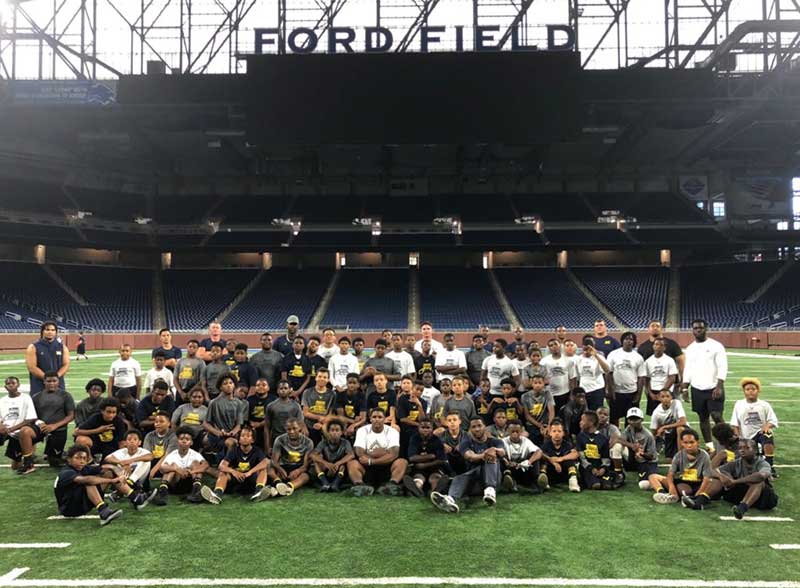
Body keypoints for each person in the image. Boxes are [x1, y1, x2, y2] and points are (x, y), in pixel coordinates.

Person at [54, 444, 154, 525]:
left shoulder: (83, 468)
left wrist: (115, 469)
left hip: (81, 502)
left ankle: (135, 497)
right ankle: (103, 511)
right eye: (78, 458)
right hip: (70, 508)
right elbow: (87, 480)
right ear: (69, 459)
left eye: (84, 458)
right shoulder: (66, 472)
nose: (82, 461)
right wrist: (112, 481)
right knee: (89, 481)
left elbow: (103, 467)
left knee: (108, 473)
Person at [681, 438, 778, 517]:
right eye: (740, 448)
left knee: (758, 482)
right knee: (719, 478)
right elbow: (711, 471)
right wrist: (721, 476)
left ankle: (742, 508)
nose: (742, 450)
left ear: (755, 450)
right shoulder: (737, 462)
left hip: (763, 499)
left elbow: (761, 476)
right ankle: (700, 501)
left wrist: (735, 481)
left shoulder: (762, 463)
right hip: (741, 493)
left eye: (746, 448)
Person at [430, 416, 505, 513]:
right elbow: (470, 456)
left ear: (485, 427)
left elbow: (503, 452)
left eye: (479, 426)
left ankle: (490, 490)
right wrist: (484, 454)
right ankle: (450, 500)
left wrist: (494, 450)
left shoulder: (496, 441)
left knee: (491, 458)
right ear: (470, 430)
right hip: (474, 481)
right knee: (460, 477)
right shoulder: (465, 443)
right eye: (473, 427)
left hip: (493, 479)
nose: (477, 429)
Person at [681, 319, 728, 450]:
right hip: (697, 388)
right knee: (703, 417)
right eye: (695, 328)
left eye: (700, 328)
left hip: (713, 387)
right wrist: (685, 388)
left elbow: (722, 366)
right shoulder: (690, 349)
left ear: (706, 328)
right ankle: (710, 445)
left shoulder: (716, 346)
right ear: (692, 330)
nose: (698, 330)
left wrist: (719, 385)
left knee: (717, 416)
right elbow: (688, 369)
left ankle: (726, 443)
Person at [201, 425, 270, 504]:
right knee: (223, 473)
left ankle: (259, 492)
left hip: (251, 478)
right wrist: (234, 472)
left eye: (248, 436)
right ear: (239, 439)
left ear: (253, 440)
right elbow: (221, 466)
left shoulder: (257, 450)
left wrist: (250, 472)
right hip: (237, 478)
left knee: (263, 470)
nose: (245, 438)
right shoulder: (234, 451)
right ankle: (217, 495)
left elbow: (265, 462)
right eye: (242, 436)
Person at [349, 408, 407, 497]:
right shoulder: (361, 431)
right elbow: (360, 453)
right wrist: (384, 453)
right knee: (352, 463)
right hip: (367, 468)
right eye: (374, 417)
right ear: (370, 419)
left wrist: (371, 460)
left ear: (384, 419)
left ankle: (391, 485)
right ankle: (359, 486)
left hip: (385, 467)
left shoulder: (393, 432)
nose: (376, 419)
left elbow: (393, 455)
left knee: (402, 462)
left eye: (380, 417)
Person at [729, 377, 778, 475]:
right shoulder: (739, 404)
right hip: (745, 435)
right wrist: (738, 437)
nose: (750, 391)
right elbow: (735, 423)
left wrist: (766, 426)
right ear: (744, 391)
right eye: (747, 389)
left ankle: (770, 465)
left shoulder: (764, 405)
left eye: (753, 389)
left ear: (758, 391)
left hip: (759, 433)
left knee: (768, 434)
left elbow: (773, 420)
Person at [151, 427, 209, 505]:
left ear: (191, 442)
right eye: (181, 439)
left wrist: (191, 471)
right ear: (177, 441)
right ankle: (162, 493)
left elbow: (206, 466)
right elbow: (162, 468)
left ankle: (196, 492)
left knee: (195, 463)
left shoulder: (195, 454)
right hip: (174, 484)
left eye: (187, 439)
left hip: (190, 483)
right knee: (172, 466)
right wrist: (176, 469)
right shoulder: (172, 454)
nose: (184, 441)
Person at [28, 371, 75, 467]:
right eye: (49, 381)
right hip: (41, 428)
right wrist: (39, 423)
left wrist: (54, 426)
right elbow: (32, 416)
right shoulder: (36, 397)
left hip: (59, 429)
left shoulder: (66, 395)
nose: (52, 383)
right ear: (44, 382)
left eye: (54, 381)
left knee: (54, 462)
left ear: (58, 381)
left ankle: (58, 454)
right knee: (25, 432)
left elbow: (71, 416)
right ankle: (28, 457)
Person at [613, 407, 664, 494]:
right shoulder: (629, 428)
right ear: (628, 420)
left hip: (647, 462)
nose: (633, 422)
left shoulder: (648, 435)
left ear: (641, 420)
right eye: (631, 419)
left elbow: (652, 457)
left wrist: (642, 454)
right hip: (635, 459)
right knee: (617, 447)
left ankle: (662, 484)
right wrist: (632, 446)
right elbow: (619, 440)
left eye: (636, 419)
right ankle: (618, 473)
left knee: (643, 485)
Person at [605, 332, 645, 427]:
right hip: (617, 392)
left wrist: (638, 395)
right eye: (626, 339)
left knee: (631, 420)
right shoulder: (613, 354)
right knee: (614, 419)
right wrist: (610, 390)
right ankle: (615, 437)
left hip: (632, 392)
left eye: (631, 339)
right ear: (622, 341)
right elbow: (608, 373)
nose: (629, 341)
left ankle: (629, 438)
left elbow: (641, 377)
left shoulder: (638, 357)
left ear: (634, 342)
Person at [0, 375, 38, 474]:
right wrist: (1, 426)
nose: (11, 385)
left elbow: (30, 418)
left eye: (13, 383)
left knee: (15, 466)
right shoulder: (2, 400)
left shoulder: (26, 398)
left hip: (20, 432)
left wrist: (11, 429)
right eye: (8, 384)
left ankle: (28, 458)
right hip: (7, 431)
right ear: (5, 387)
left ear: (18, 385)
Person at [403, 417, 448, 498]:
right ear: (418, 428)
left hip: (433, 467)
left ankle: (435, 492)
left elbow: (442, 460)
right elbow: (412, 458)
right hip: (418, 469)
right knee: (418, 478)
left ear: (432, 428)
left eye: (428, 427)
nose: (425, 430)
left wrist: (424, 464)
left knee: (435, 477)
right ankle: (417, 490)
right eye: (423, 427)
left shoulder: (437, 440)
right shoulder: (414, 439)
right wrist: (431, 456)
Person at [204, 374, 247, 460]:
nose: (228, 385)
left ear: (234, 385)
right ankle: (225, 464)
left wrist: (232, 432)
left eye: (231, 383)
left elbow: (239, 424)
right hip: (217, 436)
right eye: (225, 383)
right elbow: (206, 424)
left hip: (232, 434)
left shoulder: (238, 403)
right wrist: (218, 432)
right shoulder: (214, 403)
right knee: (232, 443)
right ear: (220, 387)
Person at [664, 428, 713, 503]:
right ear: (681, 443)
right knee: (653, 477)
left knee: (711, 487)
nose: (689, 445)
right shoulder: (678, 455)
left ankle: (689, 498)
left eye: (692, 442)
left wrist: (697, 497)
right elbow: (670, 474)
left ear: (697, 442)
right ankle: (666, 493)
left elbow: (707, 479)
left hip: (698, 483)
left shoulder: (704, 456)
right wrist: (672, 488)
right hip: (685, 482)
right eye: (686, 443)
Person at [269, 417, 313, 496]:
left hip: (299, 467)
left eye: (294, 428)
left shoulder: (308, 442)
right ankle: (278, 482)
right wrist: (280, 469)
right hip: (284, 465)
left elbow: (306, 465)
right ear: (285, 429)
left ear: (299, 428)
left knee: (305, 476)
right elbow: (274, 460)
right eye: (289, 429)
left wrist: (298, 471)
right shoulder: (279, 439)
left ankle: (287, 487)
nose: (292, 431)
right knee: (269, 466)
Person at [310, 418, 355, 492]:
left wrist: (337, 464)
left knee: (344, 464)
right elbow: (313, 455)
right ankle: (325, 483)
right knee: (316, 462)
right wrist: (326, 463)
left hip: (339, 470)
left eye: (337, 430)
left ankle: (335, 484)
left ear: (342, 432)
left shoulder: (345, 442)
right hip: (327, 468)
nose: (334, 433)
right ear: (328, 432)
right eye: (332, 430)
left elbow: (351, 455)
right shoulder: (323, 442)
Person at [501, 420, 546, 493]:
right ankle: (510, 482)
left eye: (517, 431)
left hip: (523, 469)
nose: (515, 434)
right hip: (510, 469)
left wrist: (529, 462)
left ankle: (537, 482)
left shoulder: (526, 441)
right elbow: (498, 453)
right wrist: (506, 461)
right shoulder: (503, 441)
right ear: (508, 431)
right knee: (500, 461)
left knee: (535, 458)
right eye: (512, 431)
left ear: (521, 431)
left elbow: (539, 452)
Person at [637, 320, 684, 389]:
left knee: (674, 400)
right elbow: (640, 368)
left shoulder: (672, 344)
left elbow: (681, 361)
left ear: (661, 329)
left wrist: (682, 378)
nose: (655, 328)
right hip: (652, 386)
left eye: (657, 326)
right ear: (648, 329)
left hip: (672, 385)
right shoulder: (642, 347)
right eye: (652, 326)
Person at [26, 321, 70, 397]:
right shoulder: (33, 347)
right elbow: (32, 367)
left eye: (53, 330)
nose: (50, 332)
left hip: (58, 385)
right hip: (39, 386)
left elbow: (66, 364)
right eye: (47, 330)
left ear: (56, 332)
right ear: (42, 331)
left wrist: (55, 378)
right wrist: (48, 379)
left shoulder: (62, 347)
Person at [103, 429, 153, 494]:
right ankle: (128, 485)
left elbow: (151, 456)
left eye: (135, 439)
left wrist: (129, 461)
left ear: (140, 442)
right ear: (125, 442)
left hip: (140, 480)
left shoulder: (143, 451)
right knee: (114, 466)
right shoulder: (122, 451)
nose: (132, 441)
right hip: (124, 479)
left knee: (146, 461)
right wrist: (121, 463)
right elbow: (107, 458)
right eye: (129, 439)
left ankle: (130, 482)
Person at [576, 410, 614, 490]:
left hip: (600, 466)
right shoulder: (580, 437)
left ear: (591, 423)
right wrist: (591, 468)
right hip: (587, 468)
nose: (580, 422)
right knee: (596, 485)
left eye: (583, 420)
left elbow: (606, 457)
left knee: (607, 486)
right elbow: (581, 457)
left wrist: (603, 468)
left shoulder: (603, 439)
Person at [540, 419, 581, 492]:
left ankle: (573, 482)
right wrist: (553, 462)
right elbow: (540, 454)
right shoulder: (546, 445)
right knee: (544, 462)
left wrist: (561, 458)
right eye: (554, 431)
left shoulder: (567, 444)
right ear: (550, 433)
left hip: (563, 472)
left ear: (563, 433)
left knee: (570, 461)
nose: (557, 434)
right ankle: (544, 482)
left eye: (559, 431)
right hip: (551, 472)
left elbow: (575, 454)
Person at [643, 337, 679, 415]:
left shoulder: (670, 360)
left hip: (667, 393)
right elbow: (646, 379)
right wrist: (650, 393)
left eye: (661, 345)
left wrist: (662, 393)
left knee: (668, 416)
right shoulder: (648, 361)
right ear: (653, 346)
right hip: (653, 393)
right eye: (656, 344)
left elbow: (672, 378)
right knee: (655, 417)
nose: (658, 346)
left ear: (664, 348)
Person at [541, 338, 577, 413]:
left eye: (555, 344)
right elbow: (541, 378)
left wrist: (572, 394)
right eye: (551, 345)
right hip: (549, 394)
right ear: (549, 348)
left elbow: (573, 379)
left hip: (565, 394)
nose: (554, 347)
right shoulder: (544, 361)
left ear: (560, 346)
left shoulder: (569, 361)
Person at [301, 368, 336, 445]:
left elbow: (331, 413)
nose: (322, 379)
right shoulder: (307, 392)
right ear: (316, 378)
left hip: (325, 425)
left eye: (324, 377)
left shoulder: (332, 394)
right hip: (309, 426)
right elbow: (305, 413)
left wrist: (323, 423)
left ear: (328, 380)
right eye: (320, 376)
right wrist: (319, 418)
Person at [575, 335, 610, 411]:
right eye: (585, 349)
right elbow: (577, 376)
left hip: (596, 389)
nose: (587, 351)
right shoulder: (578, 359)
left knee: (596, 413)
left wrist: (596, 355)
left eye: (589, 349)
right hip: (584, 390)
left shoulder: (599, 357)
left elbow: (607, 369)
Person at [266, 380, 304, 447]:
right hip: (275, 439)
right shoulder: (271, 406)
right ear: (277, 390)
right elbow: (267, 427)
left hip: (291, 439)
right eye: (281, 388)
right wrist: (267, 446)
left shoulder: (296, 406)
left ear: (290, 390)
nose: (283, 390)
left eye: (285, 388)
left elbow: (300, 426)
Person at [650, 389, 687, 459]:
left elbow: (683, 421)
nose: (665, 399)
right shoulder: (656, 413)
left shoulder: (676, 403)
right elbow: (653, 432)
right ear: (659, 398)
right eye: (663, 397)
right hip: (669, 435)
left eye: (667, 396)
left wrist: (664, 427)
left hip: (683, 432)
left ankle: (681, 456)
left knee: (680, 429)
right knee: (669, 459)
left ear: (671, 397)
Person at [396, 377, 427, 456]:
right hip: (405, 428)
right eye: (417, 389)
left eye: (421, 391)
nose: (419, 392)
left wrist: (419, 405)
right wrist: (417, 424)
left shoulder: (423, 402)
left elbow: (422, 420)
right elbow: (402, 419)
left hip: (417, 429)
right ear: (412, 388)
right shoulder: (402, 399)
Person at [521, 374, 554, 445]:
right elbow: (527, 416)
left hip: (545, 423)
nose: (538, 385)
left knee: (548, 435)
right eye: (535, 383)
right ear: (531, 384)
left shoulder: (548, 394)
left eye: (540, 383)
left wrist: (549, 425)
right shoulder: (525, 396)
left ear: (543, 384)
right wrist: (540, 426)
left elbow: (551, 412)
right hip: (532, 424)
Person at [174, 340, 205, 404]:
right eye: (190, 346)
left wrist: (191, 392)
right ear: (187, 347)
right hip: (180, 391)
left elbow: (202, 380)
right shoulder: (180, 362)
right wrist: (181, 392)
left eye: (194, 347)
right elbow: (175, 378)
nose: (191, 349)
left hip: (194, 392)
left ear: (197, 349)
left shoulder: (201, 362)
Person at [336, 373, 367, 439]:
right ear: (346, 384)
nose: (351, 385)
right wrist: (353, 422)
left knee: (361, 429)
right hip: (345, 422)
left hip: (358, 423)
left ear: (358, 385)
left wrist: (354, 425)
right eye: (350, 383)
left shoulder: (362, 396)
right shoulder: (340, 395)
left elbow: (363, 418)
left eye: (354, 383)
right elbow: (340, 417)